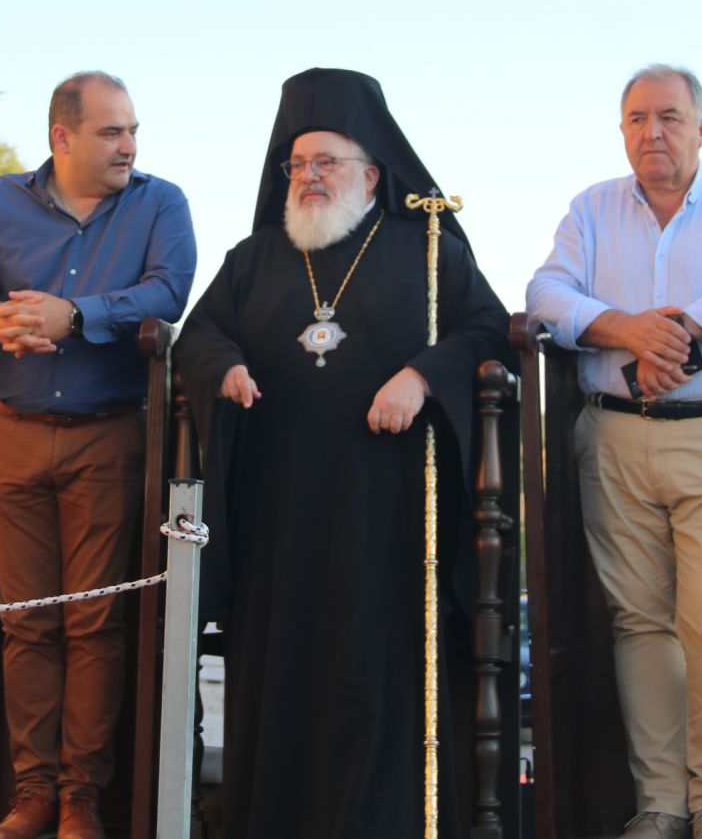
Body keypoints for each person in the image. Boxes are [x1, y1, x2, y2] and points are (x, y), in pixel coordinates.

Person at [174, 68, 511, 839]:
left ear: (372, 173)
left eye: (326, 161)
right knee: (282, 685)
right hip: (279, 521)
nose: (309, 177)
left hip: (386, 521)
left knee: (372, 685)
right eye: (297, 163)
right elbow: (200, 332)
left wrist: (421, 378)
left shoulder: (428, 252)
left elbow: (488, 330)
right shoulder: (253, 258)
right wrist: (222, 366)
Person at [526, 64, 702, 839]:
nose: (653, 132)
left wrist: (676, 329)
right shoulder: (591, 209)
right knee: (638, 623)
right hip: (614, 437)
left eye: (671, 117)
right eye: (638, 118)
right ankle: (662, 805)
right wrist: (628, 330)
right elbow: (546, 294)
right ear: (622, 131)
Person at [0, 71, 195, 839]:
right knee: (26, 623)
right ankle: (33, 795)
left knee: (94, 622)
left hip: (108, 435)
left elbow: (169, 292)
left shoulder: (160, 203)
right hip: (11, 431)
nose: (129, 146)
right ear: (62, 136)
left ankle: (82, 800)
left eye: (133, 130)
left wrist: (75, 315)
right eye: (112, 132)